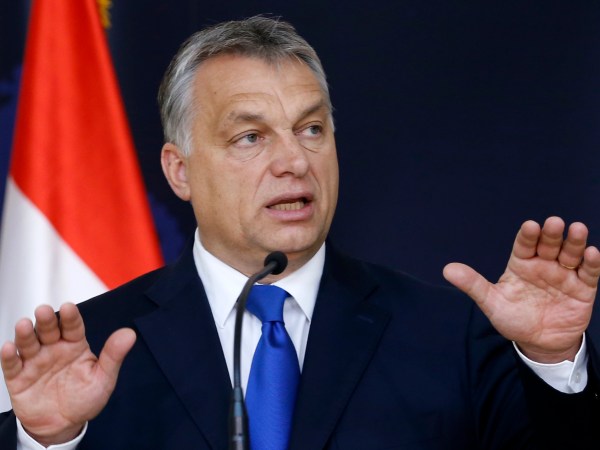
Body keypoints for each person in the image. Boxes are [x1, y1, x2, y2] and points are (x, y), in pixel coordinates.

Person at [1, 15, 599, 450]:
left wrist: (551, 363)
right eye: (251, 137)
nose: (294, 161)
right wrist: (47, 442)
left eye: (311, 129)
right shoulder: (98, 346)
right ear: (179, 171)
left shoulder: (450, 336)